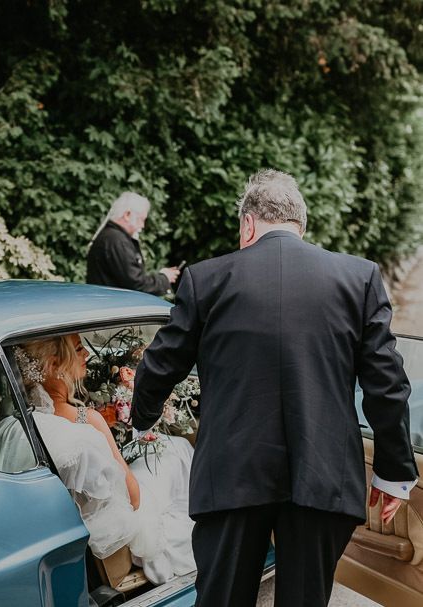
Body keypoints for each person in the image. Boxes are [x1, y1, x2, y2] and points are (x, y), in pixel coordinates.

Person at [130, 169, 419, 606]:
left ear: (248, 224)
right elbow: (388, 383)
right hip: (322, 475)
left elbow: (159, 365)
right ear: (301, 226)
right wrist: (394, 471)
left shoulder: (205, 280)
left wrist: (141, 421)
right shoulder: (358, 279)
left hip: (232, 475)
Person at [16, 333, 196, 584]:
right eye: (79, 349)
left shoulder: (29, 417)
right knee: (177, 448)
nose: (87, 355)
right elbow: (134, 496)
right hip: (126, 509)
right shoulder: (87, 418)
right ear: (55, 365)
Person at [87, 192, 180, 295]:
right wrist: (164, 279)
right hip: (113, 306)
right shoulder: (117, 241)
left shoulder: (110, 237)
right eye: (142, 219)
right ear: (127, 215)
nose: (143, 225)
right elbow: (135, 284)